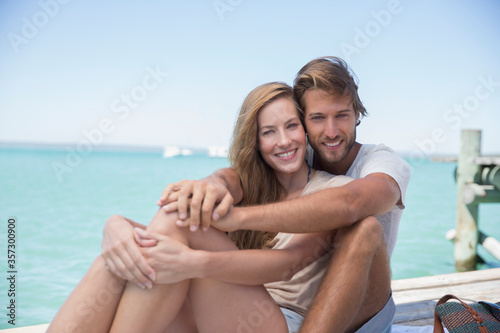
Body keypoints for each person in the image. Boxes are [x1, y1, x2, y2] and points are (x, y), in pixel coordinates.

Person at [48, 82, 363, 333]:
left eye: (291, 126)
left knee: (174, 223)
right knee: (117, 259)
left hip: (277, 320)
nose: (283, 141)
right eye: (269, 131)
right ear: (255, 141)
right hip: (218, 310)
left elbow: (288, 264)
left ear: (305, 129)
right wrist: (116, 225)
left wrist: (194, 262)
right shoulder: (248, 186)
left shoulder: (331, 191)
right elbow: (173, 228)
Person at [156, 56, 411, 332]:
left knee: (363, 227)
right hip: (306, 306)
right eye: (317, 118)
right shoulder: (298, 152)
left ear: (357, 114)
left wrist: (236, 218)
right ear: (304, 121)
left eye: (342, 115)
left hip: (365, 310)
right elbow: (245, 173)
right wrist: (214, 184)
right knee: (177, 224)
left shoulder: (382, 162)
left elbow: (350, 203)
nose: (331, 131)